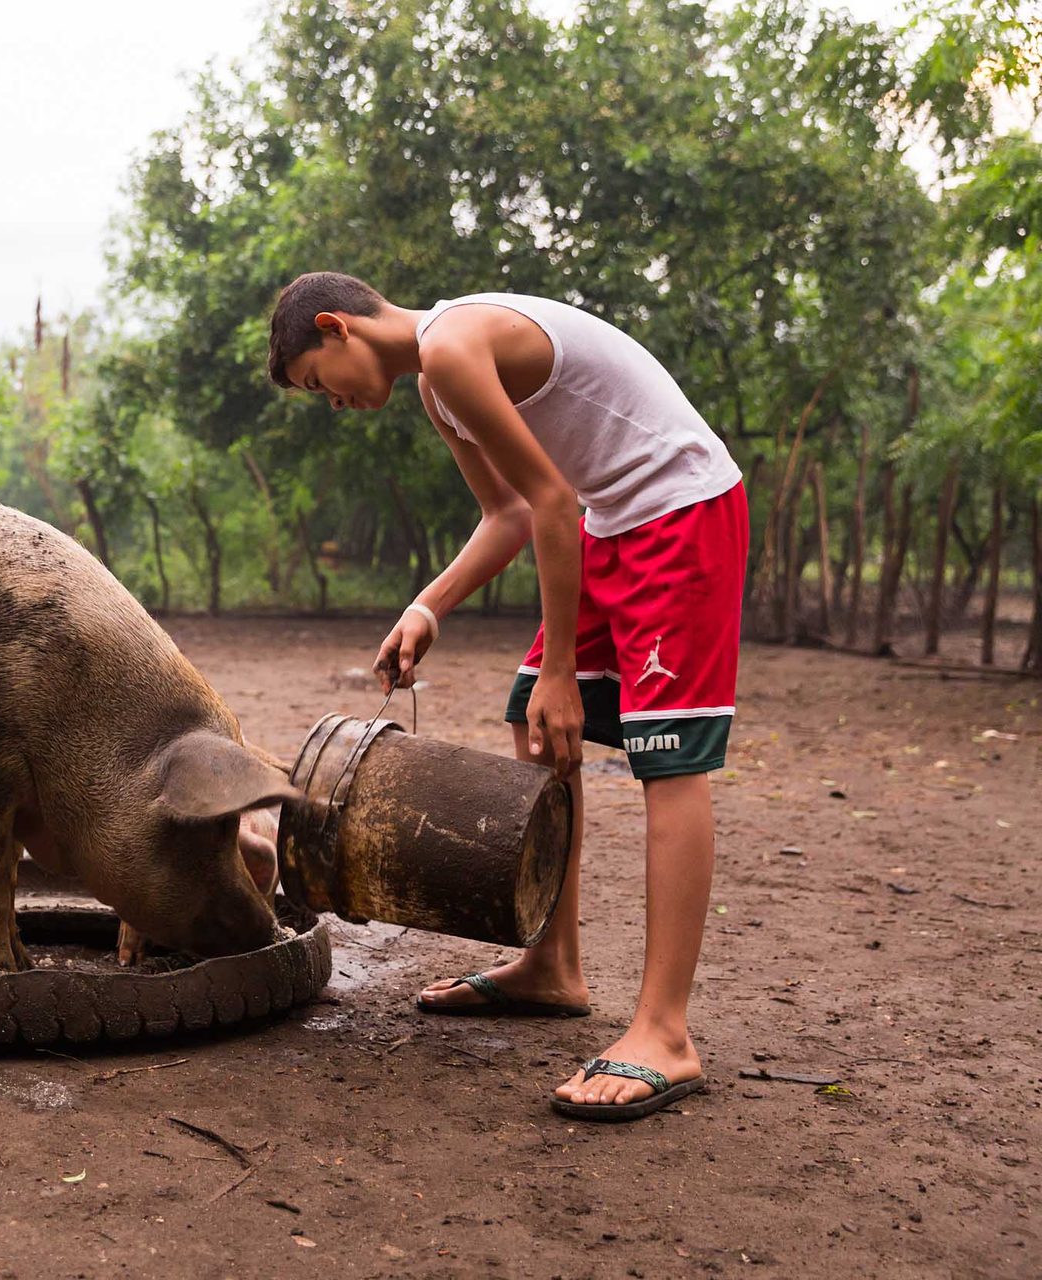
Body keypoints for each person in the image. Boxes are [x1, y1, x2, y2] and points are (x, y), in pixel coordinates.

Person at [267, 272, 746, 1122]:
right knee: (536, 722)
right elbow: (513, 513)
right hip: (611, 521)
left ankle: (665, 1033)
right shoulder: (438, 389)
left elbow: (553, 499)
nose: (331, 403)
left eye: (316, 383)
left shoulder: (452, 349)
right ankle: (553, 963)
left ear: (338, 328)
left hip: (679, 511)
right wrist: (428, 607)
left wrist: (564, 666)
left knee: (668, 759)